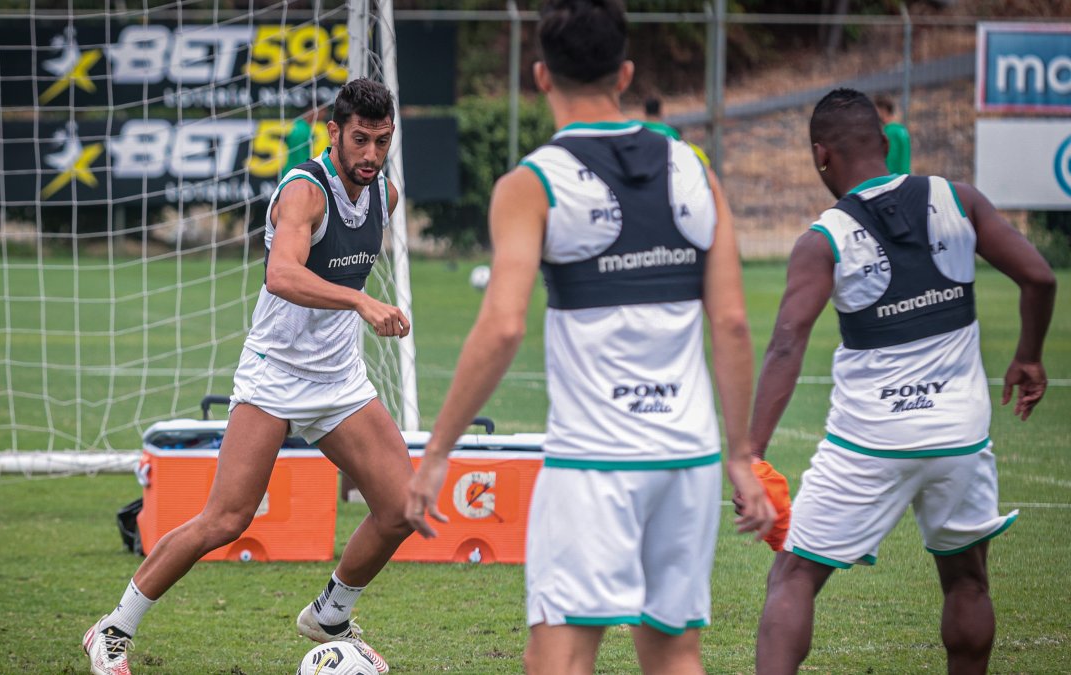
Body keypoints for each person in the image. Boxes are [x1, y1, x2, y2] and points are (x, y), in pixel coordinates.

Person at [405, 2, 777, 673]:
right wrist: (742, 455)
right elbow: (731, 322)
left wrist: (436, 452)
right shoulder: (693, 168)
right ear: (625, 72)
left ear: (542, 77)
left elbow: (504, 323)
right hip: (686, 459)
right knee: (674, 655)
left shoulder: (532, 182)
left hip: (593, 464)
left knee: (561, 656)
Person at [82, 78, 411, 675]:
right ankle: (111, 629)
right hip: (274, 375)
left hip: (338, 378)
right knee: (227, 520)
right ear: (334, 132)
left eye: (381, 141)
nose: (369, 155)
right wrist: (363, 305)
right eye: (359, 139)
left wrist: (355, 313)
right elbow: (282, 275)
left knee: (401, 507)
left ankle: (330, 615)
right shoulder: (304, 193)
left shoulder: (383, 195)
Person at [747, 88, 1055, 675]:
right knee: (966, 580)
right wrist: (1028, 356)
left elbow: (787, 342)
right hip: (958, 435)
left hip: (867, 442)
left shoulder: (825, 237)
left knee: (793, 577)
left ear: (821, 156)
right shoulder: (956, 199)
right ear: (886, 143)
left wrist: (752, 453)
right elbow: (1039, 278)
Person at [285, 102, 329, 176]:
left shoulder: (299, 126)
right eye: (323, 111)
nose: (325, 114)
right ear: (313, 110)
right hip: (297, 174)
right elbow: (300, 157)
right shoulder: (303, 130)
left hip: (293, 172)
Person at [875, 93, 911, 175]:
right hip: (905, 177)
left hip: (894, 179)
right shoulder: (901, 129)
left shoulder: (889, 132)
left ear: (883, 111)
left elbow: (890, 160)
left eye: (876, 111)